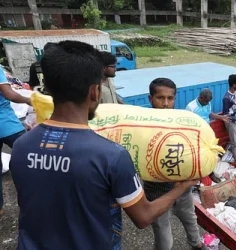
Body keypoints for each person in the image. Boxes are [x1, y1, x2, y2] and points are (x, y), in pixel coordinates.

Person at [9, 41, 197, 250]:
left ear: (49, 88)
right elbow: (143, 217)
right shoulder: (111, 155)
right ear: (95, 92)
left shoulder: (20, 145)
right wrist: (181, 187)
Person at [145, 78, 207, 250]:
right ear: (151, 99)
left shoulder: (182, 122)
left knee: (191, 223)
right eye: (160, 98)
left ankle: (197, 245)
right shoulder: (142, 126)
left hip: (184, 192)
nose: (166, 103)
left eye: (170, 98)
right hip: (158, 195)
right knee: (164, 242)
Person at [0, 67, 31, 216]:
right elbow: (9, 94)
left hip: (6, 123)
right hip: (6, 124)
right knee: (31, 157)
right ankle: (36, 198)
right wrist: (30, 100)